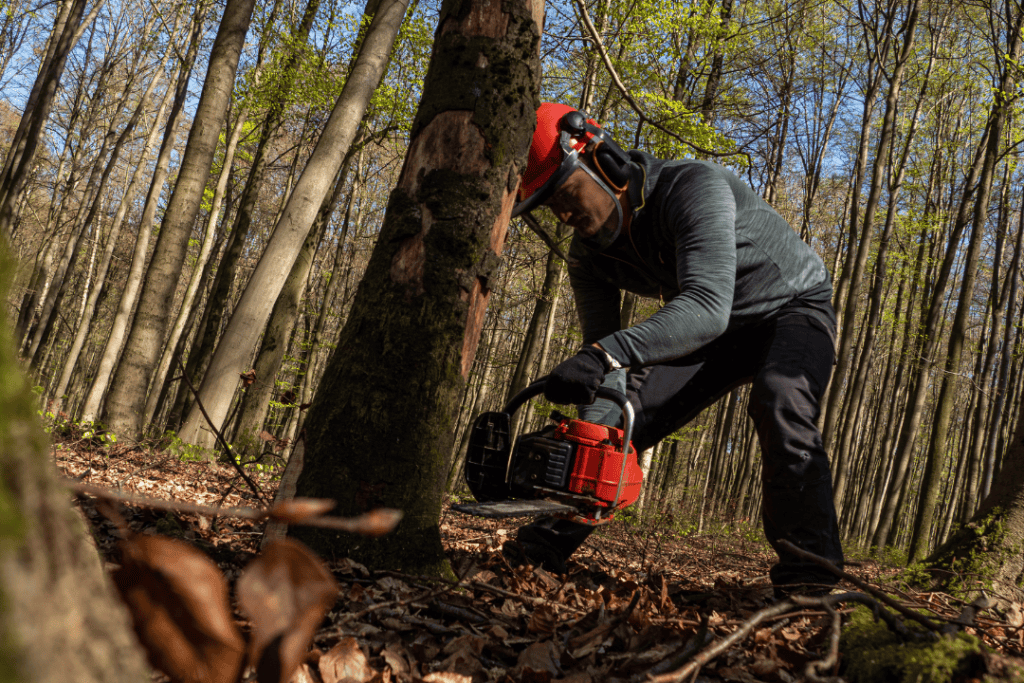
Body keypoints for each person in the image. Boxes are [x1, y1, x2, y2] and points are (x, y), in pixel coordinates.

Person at [504, 102, 844, 597]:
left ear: (605, 162)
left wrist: (603, 356)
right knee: (619, 420)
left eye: (566, 193)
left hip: (791, 308)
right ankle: (539, 549)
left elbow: (705, 306)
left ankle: (809, 579)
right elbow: (608, 363)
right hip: (716, 332)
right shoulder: (588, 257)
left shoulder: (693, 187)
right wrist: (596, 401)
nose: (564, 214)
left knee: (781, 400)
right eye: (549, 206)